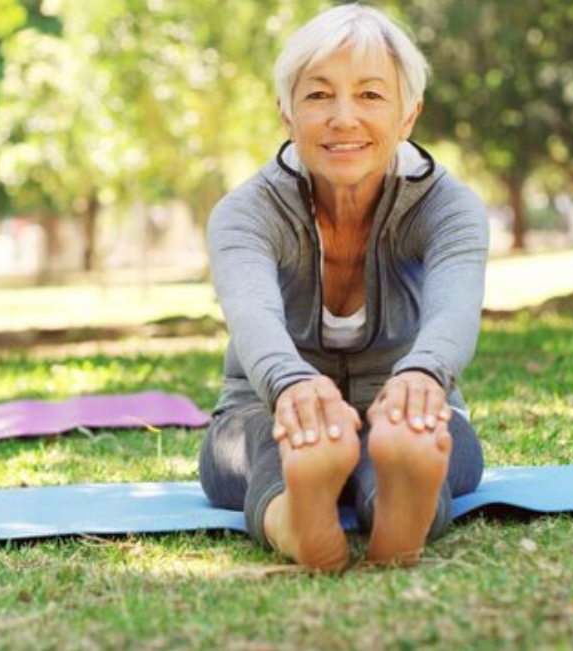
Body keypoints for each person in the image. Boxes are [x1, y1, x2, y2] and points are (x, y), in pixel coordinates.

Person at [199, 5, 488, 571]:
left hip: (405, 403)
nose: (344, 117)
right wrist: (292, 388)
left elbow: (454, 309)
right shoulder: (245, 213)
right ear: (286, 112)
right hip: (267, 409)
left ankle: (400, 509)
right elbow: (253, 316)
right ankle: (298, 518)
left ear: (408, 115)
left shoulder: (448, 207)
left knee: (434, 441)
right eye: (318, 95)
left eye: (371, 95)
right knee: (266, 447)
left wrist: (423, 376)